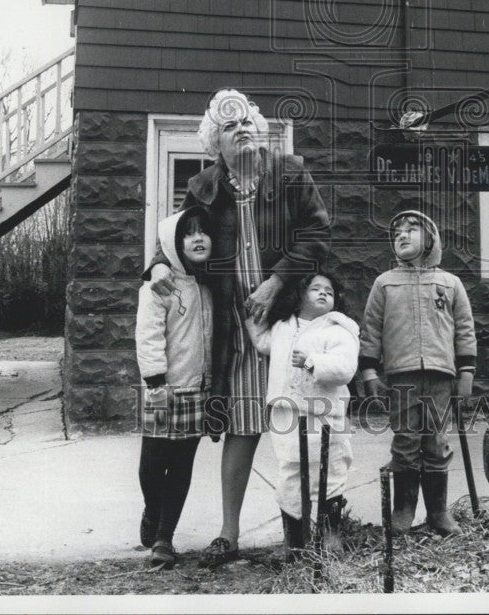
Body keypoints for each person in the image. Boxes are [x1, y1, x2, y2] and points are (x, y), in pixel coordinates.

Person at [144, 88, 330, 568]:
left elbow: (317, 234)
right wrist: (158, 266)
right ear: (215, 143)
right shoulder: (204, 185)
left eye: (247, 120)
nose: (242, 129)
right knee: (243, 429)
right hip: (238, 329)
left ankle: (306, 530)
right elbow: (182, 237)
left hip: (288, 320)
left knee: (299, 426)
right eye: (230, 126)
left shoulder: (289, 173)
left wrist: (276, 282)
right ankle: (229, 533)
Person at [359, 209, 477, 537]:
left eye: (412, 229)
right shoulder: (384, 283)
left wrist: (466, 371)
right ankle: (403, 511)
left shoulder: (450, 283)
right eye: (396, 231)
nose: (402, 234)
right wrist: (369, 373)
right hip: (402, 376)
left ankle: (438, 512)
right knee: (406, 441)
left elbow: (464, 329)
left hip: (440, 375)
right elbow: (370, 330)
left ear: (432, 239)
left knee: (436, 441)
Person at [245, 272, 359, 556]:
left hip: (326, 415)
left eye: (329, 291)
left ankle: (330, 536)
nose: (323, 293)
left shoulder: (338, 330)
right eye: (315, 288)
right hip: (287, 413)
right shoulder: (283, 326)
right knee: (290, 473)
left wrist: (313, 362)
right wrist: (248, 311)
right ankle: (294, 542)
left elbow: (345, 368)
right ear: (298, 296)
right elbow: (262, 341)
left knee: (331, 470)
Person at [135, 206, 214, 569]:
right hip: (163, 388)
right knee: (151, 467)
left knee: (181, 466)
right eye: (188, 233)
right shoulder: (159, 285)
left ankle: (165, 537)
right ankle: (153, 510)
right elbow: (148, 335)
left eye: (203, 232)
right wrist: (154, 381)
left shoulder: (213, 284)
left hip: (198, 391)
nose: (198, 238)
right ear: (172, 242)